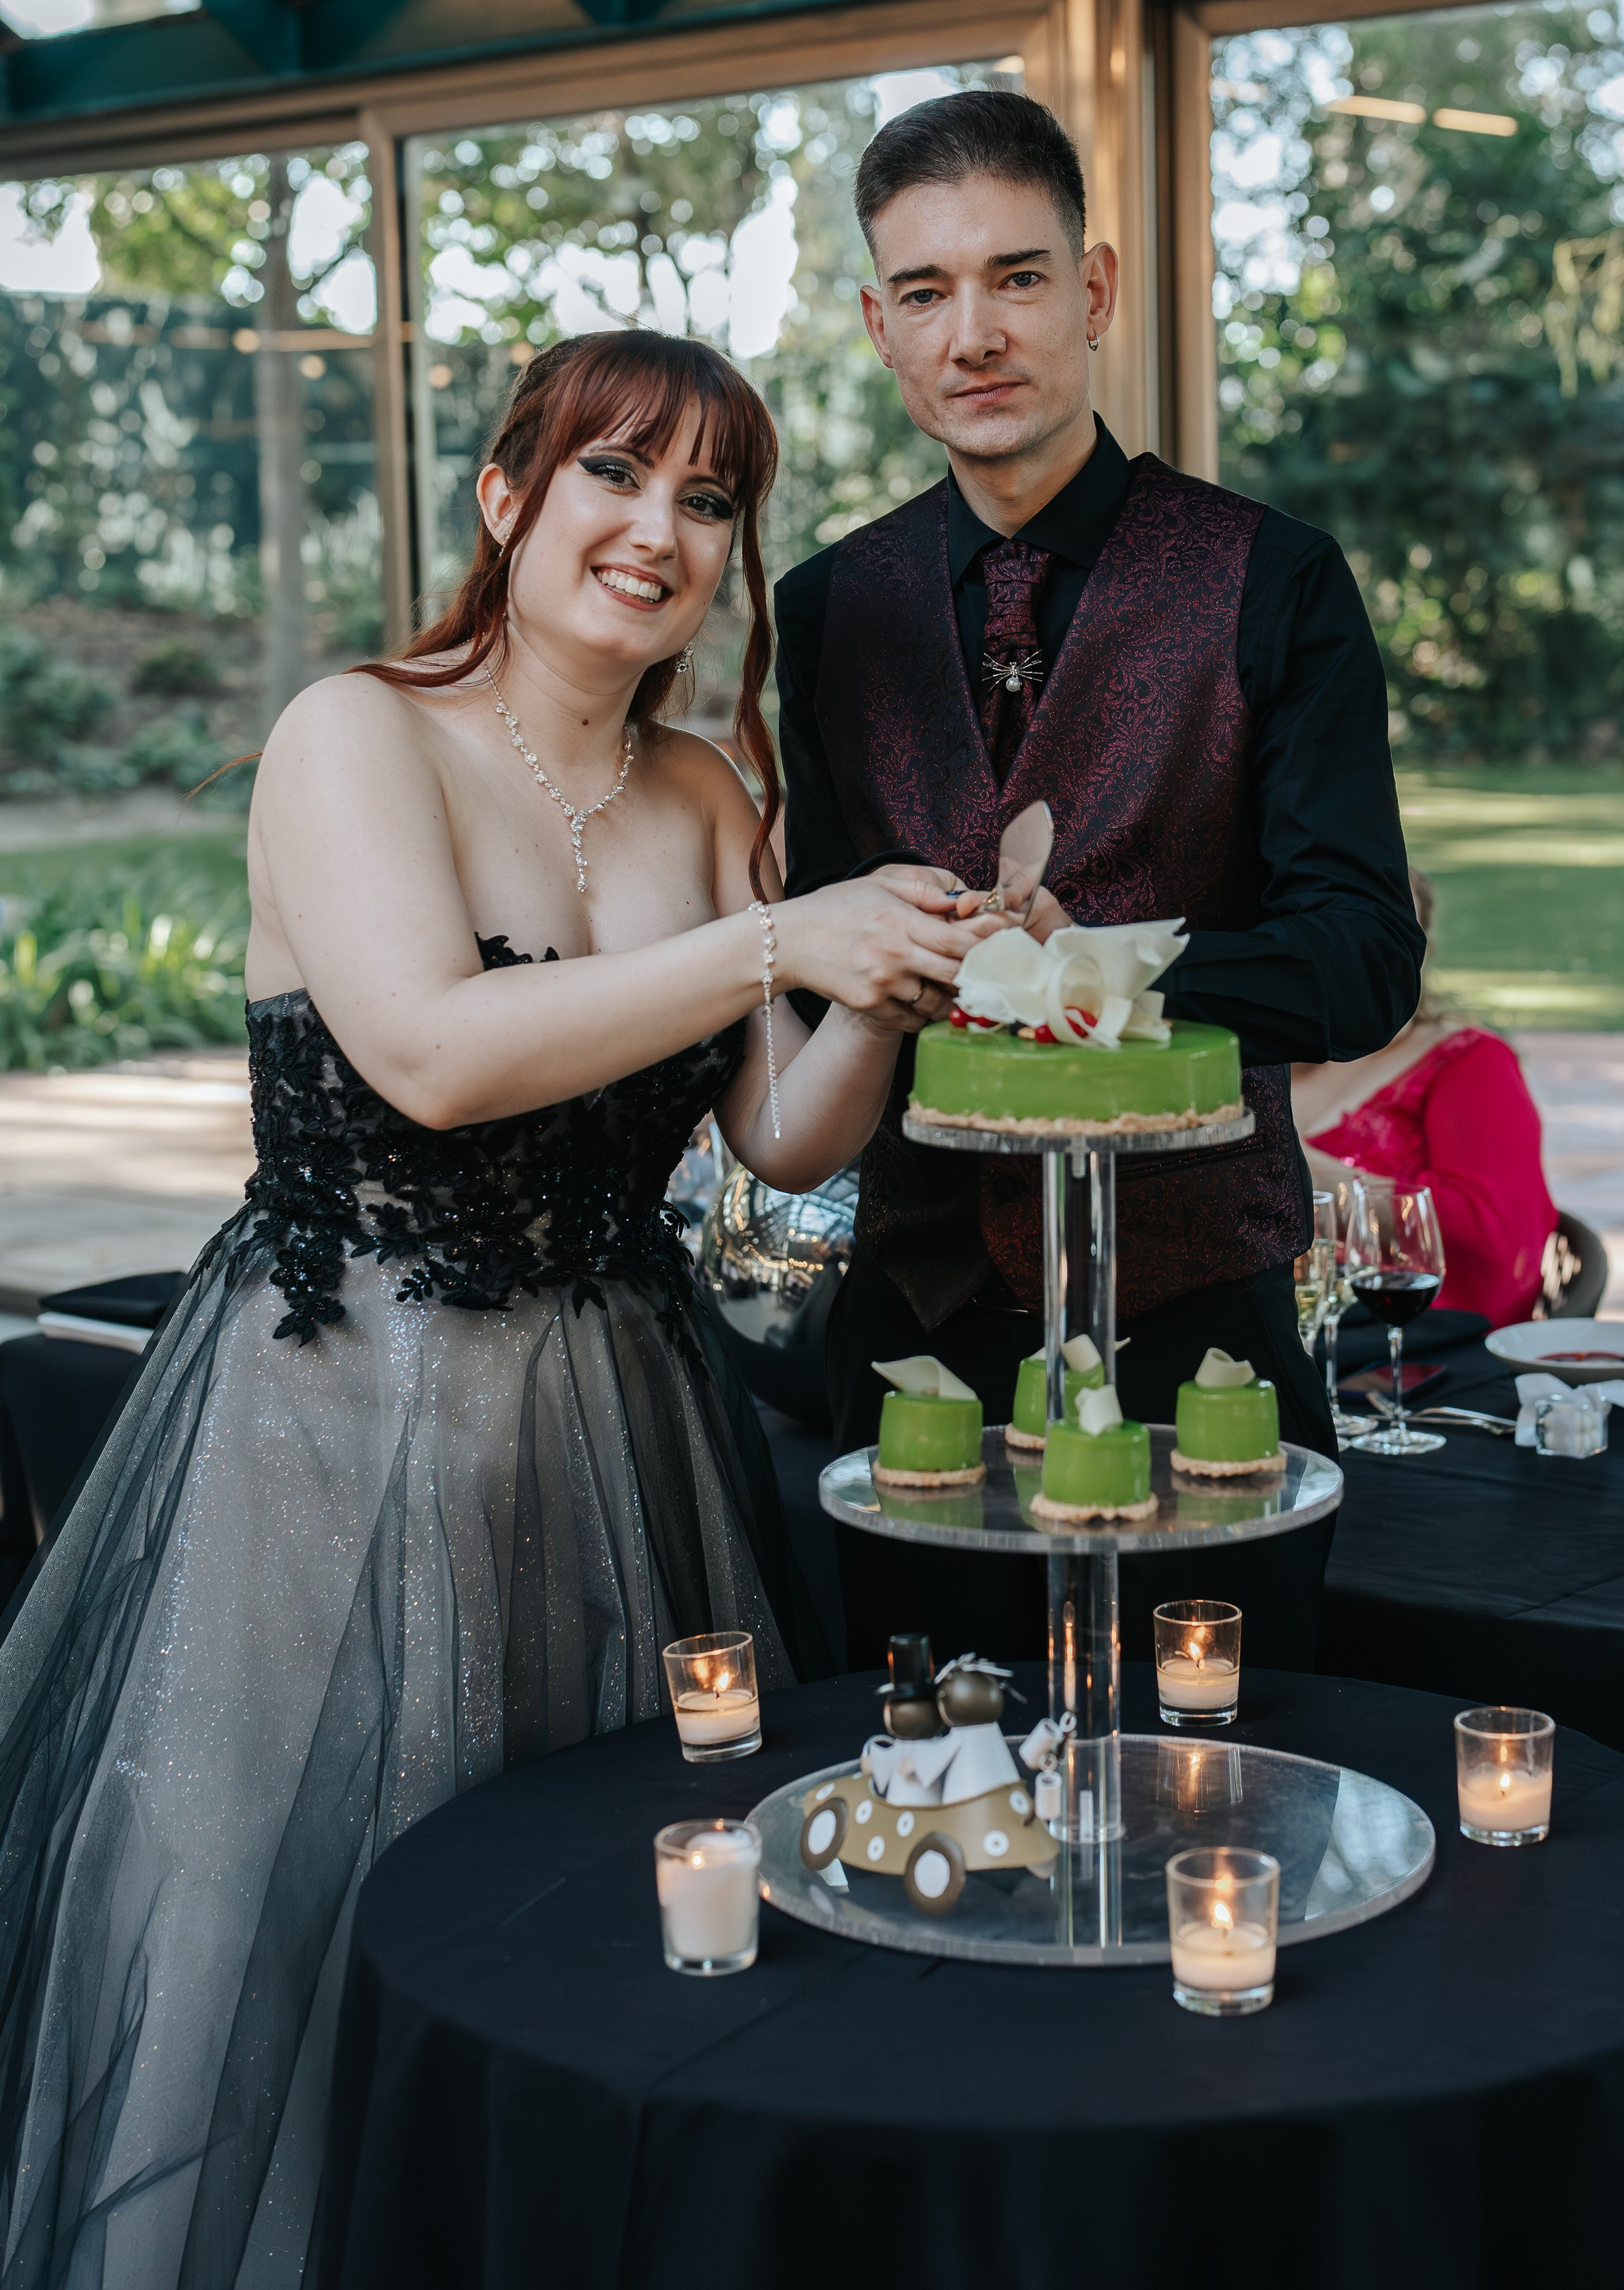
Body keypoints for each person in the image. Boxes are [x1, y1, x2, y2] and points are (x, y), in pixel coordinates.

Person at [0, 330, 985, 2290]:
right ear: (506, 498)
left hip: (623, 1432)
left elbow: (784, 1142)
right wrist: (779, 933)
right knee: (298, 1919)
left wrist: (874, 984)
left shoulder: (705, 789)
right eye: (619, 475)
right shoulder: (354, 735)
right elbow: (438, 1059)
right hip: (331, 1425)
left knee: (602, 1912)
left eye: (709, 501)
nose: (661, 531)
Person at [776, 89, 1423, 1661]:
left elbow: (1356, 958)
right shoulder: (822, 610)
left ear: (1095, 290)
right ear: (877, 324)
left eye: (1015, 276)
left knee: (1220, 1770)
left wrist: (1096, 978)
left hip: (1202, 1324)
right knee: (933, 1779)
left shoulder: (1274, 578)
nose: (972, 333)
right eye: (924, 293)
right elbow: (808, 961)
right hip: (912, 1324)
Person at [1293, 869, 1558, 1327]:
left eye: (1389, 929)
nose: (1362, 954)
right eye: (1337, 927)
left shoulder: (1468, 1062)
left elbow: (1490, 1241)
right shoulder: (1251, 1058)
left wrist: (1302, 1171)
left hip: (1403, 1341)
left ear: (1422, 947)